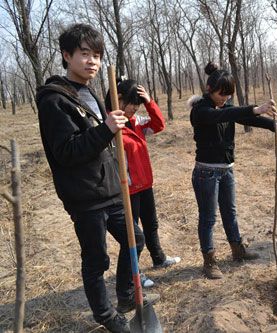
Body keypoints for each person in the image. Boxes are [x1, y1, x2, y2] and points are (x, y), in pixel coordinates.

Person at [36, 24, 158, 333]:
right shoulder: (55, 100)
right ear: (67, 56)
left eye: (97, 56)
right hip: (85, 196)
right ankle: (107, 316)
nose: (92, 62)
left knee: (137, 238)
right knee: (96, 259)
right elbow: (67, 151)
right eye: (85, 54)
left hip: (110, 189)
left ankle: (127, 297)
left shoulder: (89, 91)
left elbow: (104, 141)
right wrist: (106, 129)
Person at [189, 62, 277, 279]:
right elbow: (223, 116)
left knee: (231, 213)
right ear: (209, 89)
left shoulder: (226, 108)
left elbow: (244, 117)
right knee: (208, 218)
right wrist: (255, 108)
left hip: (226, 170)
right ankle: (209, 261)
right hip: (206, 173)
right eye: (221, 94)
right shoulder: (201, 110)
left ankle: (237, 250)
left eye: (228, 95)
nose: (225, 98)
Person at [104, 79, 181, 289]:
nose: (134, 108)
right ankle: (134, 273)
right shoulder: (109, 125)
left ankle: (159, 258)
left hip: (145, 183)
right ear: (118, 99)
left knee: (151, 224)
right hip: (127, 188)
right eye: (132, 103)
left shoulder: (136, 121)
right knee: (133, 234)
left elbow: (158, 125)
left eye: (138, 104)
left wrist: (149, 102)